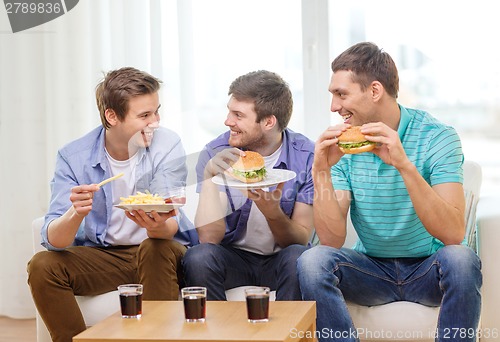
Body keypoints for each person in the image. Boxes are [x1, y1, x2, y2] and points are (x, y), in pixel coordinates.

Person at [297, 42, 482, 342]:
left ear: (374, 90)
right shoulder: (344, 147)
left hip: (428, 269)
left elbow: (452, 234)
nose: (333, 107)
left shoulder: (438, 137)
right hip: (371, 271)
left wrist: (404, 165)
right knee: (312, 261)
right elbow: (331, 241)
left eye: (341, 94)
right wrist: (321, 170)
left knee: (461, 260)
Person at [27, 67, 198, 342]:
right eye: (144, 115)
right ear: (112, 116)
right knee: (42, 265)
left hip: (160, 251)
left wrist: (155, 224)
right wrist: (75, 213)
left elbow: (170, 227)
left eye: (156, 111)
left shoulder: (167, 144)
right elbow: (55, 240)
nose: (155, 122)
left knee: (154, 248)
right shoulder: (74, 157)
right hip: (108, 256)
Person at [182, 70, 315, 300]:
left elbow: (301, 239)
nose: (227, 122)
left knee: (299, 258)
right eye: (229, 112)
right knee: (198, 257)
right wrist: (209, 175)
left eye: (238, 115)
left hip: (282, 259)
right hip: (234, 258)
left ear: (268, 121)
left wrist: (273, 214)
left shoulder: (306, 156)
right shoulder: (216, 152)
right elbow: (209, 238)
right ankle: (218, 335)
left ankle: (286, 335)